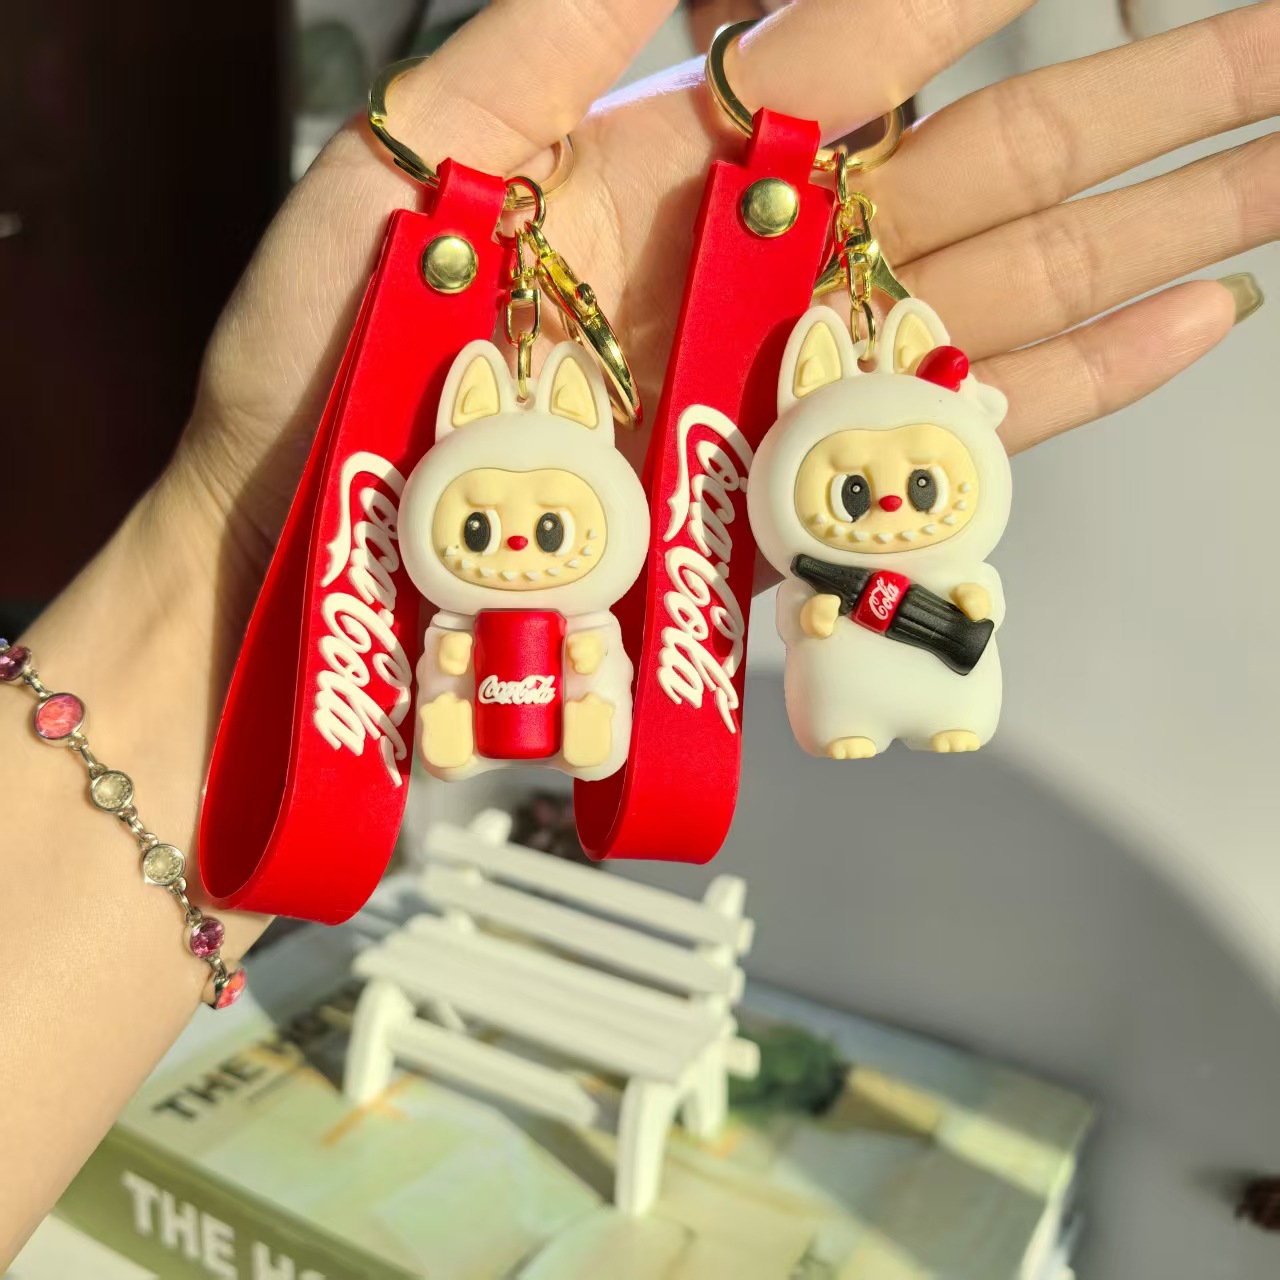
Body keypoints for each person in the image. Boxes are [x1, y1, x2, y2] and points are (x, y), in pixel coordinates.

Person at [0, 0, 1274, 1262]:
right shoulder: (492, 501)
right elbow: (440, 633)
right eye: (485, 526)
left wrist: (218, 570)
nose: (513, 543)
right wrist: (245, 540)